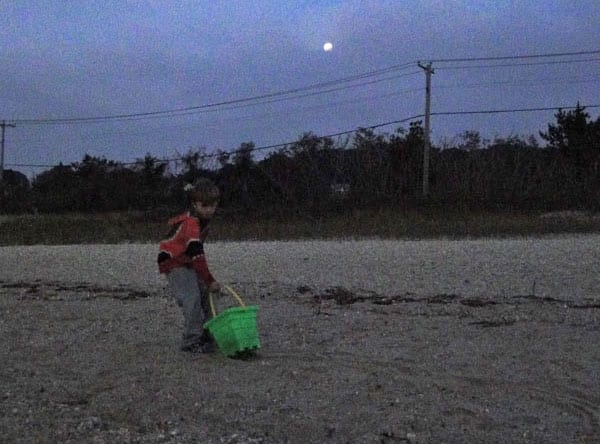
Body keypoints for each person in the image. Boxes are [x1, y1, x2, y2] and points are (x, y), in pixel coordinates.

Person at [157, 177, 221, 353]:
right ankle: (191, 341)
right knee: (191, 299)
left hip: (187, 260)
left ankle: (209, 335)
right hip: (174, 261)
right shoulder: (191, 224)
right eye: (205, 205)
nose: (209, 210)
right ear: (195, 204)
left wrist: (207, 281)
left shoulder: (202, 222)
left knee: (207, 296)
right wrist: (209, 279)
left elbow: (196, 253)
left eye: (213, 205)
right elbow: (197, 254)